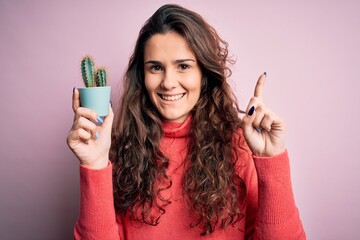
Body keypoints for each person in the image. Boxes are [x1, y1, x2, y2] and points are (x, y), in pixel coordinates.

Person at [67, 4, 306, 240]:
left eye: (183, 66)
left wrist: (272, 160)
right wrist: (95, 165)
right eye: (156, 67)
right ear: (142, 76)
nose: (168, 82)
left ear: (203, 73)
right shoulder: (118, 151)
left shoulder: (239, 146)